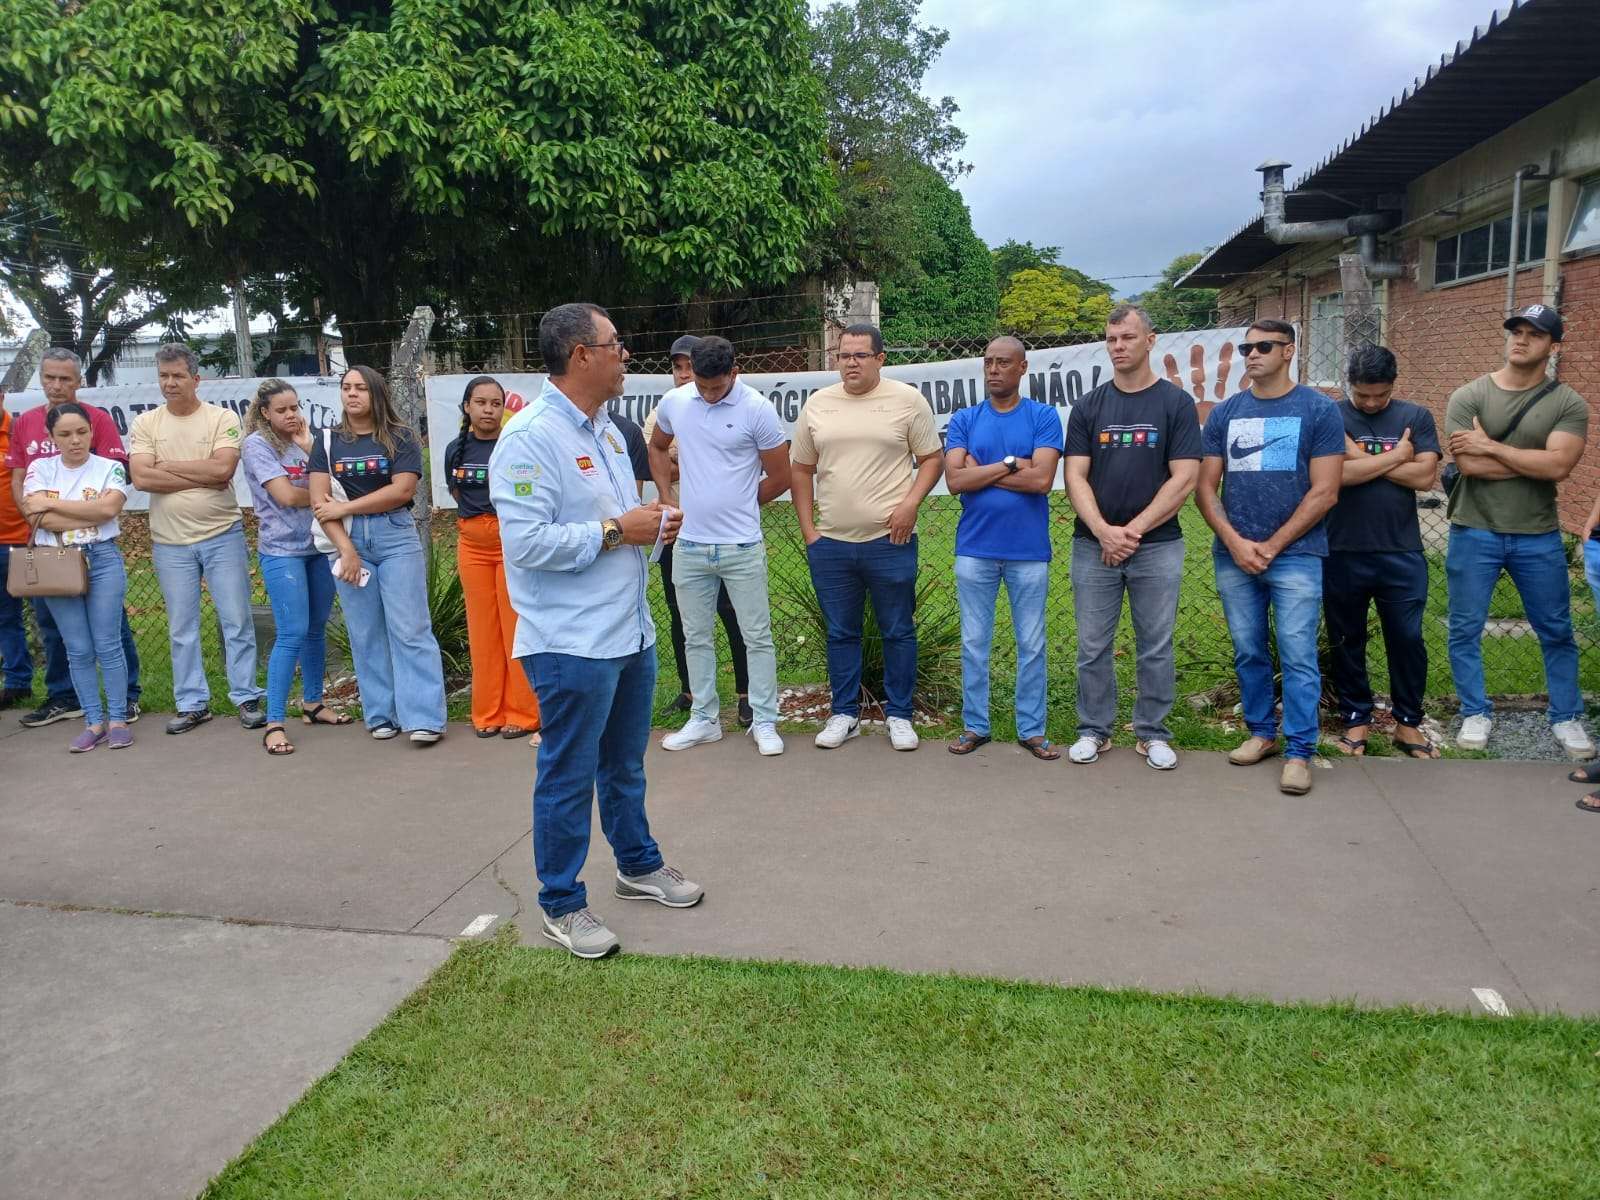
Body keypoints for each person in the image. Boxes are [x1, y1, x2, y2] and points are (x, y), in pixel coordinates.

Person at [490, 301, 702, 959]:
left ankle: (637, 865)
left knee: (623, 765)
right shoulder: (529, 438)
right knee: (568, 775)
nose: (625, 354)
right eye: (615, 344)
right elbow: (526, 544)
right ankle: (561, 903)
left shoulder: (609, 430)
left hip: (627, 631)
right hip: (570, 642)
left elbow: (616, 522)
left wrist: (651, 525)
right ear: (581, 355)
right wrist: (617, 530)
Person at [1196, 319, 1344, 796]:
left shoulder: (1319, 410)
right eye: (1246, 348)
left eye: (1263, 346)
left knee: (1298, 654)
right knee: (1249, 649)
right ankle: (1261, 733)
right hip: (1234, 556)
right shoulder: (1226, 412)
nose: (1253, 355)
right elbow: (1205, 488)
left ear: (1289, 351)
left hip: (1297, 555)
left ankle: (1299, 751)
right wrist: (1235, 543)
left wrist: (1274, 545)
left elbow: (1326, 491)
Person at [1445, 304, 1593, 759]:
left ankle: (1565, 716)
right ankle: (1475, 711)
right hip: (1474, 530)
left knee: (1556, 630)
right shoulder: (1468, 395)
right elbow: (1468, 465)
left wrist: (1490, 445)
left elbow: (1560, 466)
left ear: (1554, 346)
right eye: (1516, 331)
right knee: (1464, 628)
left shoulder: (1568, 403)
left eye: (1535, 334)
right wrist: (1535, 463)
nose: (1521, 340)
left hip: (1538, 534)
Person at [791, 323, 943, 751]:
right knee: (841, 632)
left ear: (880, 359)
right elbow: (800, 468)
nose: (850, 363)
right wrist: (809, 531)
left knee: (898, 630)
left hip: (889, 542)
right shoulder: (819, 404)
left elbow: (932, 459)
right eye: (843, 356)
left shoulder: (907, 401)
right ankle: (844, 713)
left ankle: (900, 715)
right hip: (831, 545)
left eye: (860, 355)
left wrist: (911, 503)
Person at [1064, 305, 1202, 770]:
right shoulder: (1089, 405)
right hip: (1093, 546)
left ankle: (1152, 733)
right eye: (1111, 339)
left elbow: (1184, 477)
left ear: (1150, 340)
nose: (1118, 347)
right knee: (1092, 646)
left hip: (1157, 546)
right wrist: (1104, 531)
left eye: (1127, 337)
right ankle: (1093, 730)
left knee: (1155, 646)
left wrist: (1132, 531)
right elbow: (1074, 476)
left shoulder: (1175, 404)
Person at [649, 335, 791, 757]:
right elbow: (657, 446)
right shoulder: (676, 402)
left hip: (742, 545)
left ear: (735, 372)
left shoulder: (757, 409)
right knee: (695, 636)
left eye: (717, 387)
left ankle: (764, 720)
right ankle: (704, 719)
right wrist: (666, 497)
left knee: (756, 636)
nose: (709, 394)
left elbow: (780, 477)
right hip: (690, 545)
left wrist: (741, 504)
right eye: (702, 386)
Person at [129, 343, 264, 733]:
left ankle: (246, 696)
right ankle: (192, 703)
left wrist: (167, 465)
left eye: (178, 375)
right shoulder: (146, 424)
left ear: (196, 379)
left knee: (236, 620)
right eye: (164, 376)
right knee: (181, 627)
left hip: (222, 535)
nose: (170, 383)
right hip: (169, 542)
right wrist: (199, 474)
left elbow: (222, 471)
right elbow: (141, 477)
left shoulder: (221, 418)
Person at [309, 365, 447, 744]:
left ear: (376, 393)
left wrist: (346, 507)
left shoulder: (400, 437)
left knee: (410, 628)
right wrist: (346, 550)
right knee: (366, 631)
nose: (352, 394)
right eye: (346, 387)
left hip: (395, 536)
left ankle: (424, 718)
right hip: (347, 539)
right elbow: (320, 503)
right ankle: (381, 714)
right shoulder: (327, 441)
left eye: (361, 388)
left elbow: (402, 491)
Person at [6, 348, 143, 726]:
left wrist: (51, 510)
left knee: (111, 630)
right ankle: (66, 698)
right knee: (56, 630)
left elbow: (107, 505)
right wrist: (39, 520)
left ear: (78, 381)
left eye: (65, 378)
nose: (56, 385)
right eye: (49, 377)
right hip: (50, 551)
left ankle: (126, 699)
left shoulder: (97, 419)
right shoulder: (26, 422)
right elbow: (20, 482)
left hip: (97, 550)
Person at [943, 335, 1063, 760]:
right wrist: (1013, 463)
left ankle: (1031, 729)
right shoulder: (965, 419)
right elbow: (955, 481)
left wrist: (984, 471)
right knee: (974, 642)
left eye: (1004, 362)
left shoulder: (1043, 416)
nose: (994, 369)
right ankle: (975, 725)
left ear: (1022, 368)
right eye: (988, 362)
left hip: (1028, 551)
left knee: (1032, 644)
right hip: (975, 549)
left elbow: (1042, 480)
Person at [1323, 345, 1441, 760]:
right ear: (1349, 384)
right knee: (1345, 639)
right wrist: (1398, 456)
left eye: (1380, 395)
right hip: (1341, 548)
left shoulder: (1416, 416)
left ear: (1394, 384)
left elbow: (1425, 478)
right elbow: (1333, 475)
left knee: (1407, 638)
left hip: (1400, 550)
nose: (1371, 403)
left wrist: (1359, 457)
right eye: (1362, 395)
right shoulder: (1331, 415)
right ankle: (1356, 717)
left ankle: (1407, 723)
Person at [643, 334, 753, 724]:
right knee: (681, 615)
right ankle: (690, 692)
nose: (684, 374)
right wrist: (667, 490)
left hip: (723, 532)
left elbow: (715, 465)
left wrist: (685, 463)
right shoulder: (663, 412)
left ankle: (746, 695)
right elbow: (656, 458)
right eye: (677, 367)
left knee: (733, 613)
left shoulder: (736, 407)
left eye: (690, 366)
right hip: (677, 530)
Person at [240, 378, 351, 756]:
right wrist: (323, 497)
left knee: (316, 627)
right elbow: (286, 496)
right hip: (282, 551)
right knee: (292, 632)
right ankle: (274, 722)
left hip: (319, 545)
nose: (291, 415)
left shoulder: (307, 440)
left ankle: (313, 703)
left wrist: (309, 448)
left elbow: (340, 482)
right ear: (265, 412)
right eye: (282, 410)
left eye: (294, 407)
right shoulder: (257, 445)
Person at [19, 402, 133, 750]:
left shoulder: (110, 468)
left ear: (92, 432)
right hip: (56, 560)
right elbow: (37, 518)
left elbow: (108, 509)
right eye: (65, 434)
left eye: (82, 432)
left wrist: (52, 505)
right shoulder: (40, 468)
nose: (75, 440)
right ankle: (93, 722)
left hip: (101, 558)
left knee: (108, 643)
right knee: (78, 647)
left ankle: (118, 719)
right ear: (51, 436)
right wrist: (88, 511)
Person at [443, 374, 541, 743]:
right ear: (467, 407)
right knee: (482, 629)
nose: (488, 410)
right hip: (472, 547)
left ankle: (523, 712)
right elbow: (457, 492)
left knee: (515, 628)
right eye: (481, 403)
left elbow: (527, 492)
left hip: (511, 545)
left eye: (496, 404)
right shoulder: (455, 449)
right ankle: (487, 713)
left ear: (504, 409)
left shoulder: (515, 445)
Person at [0, 398, 34, 708]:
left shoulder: (19, 431)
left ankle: (65, 690)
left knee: (48, 618)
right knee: (5, 618)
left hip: (26, 541)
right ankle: (17, 683)